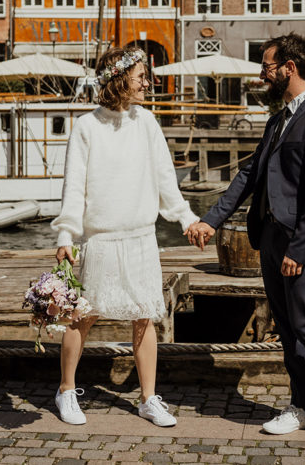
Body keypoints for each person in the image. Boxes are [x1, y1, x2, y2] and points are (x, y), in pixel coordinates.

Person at [186, 34, 305, 444]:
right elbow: (249, 175)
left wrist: (298, 250)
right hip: (270, 240)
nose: (261, 74)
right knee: (287, 327)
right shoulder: (278, 119)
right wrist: (212, 220)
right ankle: (304, 406)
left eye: (266, 66)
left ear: (289, 69)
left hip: (303, 246)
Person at [51, 47, 198, 428]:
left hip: (141, 238)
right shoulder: (86, 128)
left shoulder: (146, 122)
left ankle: (148, 399)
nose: (148, 82)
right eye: (140, 77)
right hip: (101, 239)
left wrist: (186, 219)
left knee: (144, 317)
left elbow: (166, 178)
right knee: (82, 317)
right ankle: (66, 390)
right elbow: (74, 187)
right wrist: (66, 233)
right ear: (119, 81)